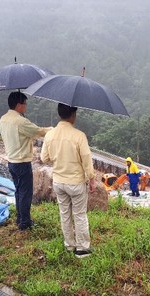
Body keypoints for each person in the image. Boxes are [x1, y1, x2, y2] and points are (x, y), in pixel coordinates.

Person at [41, 103, 95, 258]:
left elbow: (44, 158)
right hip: (76, 182)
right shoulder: (79, 135)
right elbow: (86, 159)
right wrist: (91, 179)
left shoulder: (50, 135)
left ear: (59, 114)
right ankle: (82, 249)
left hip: (58, 182)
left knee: (64, 213)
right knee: (79, 214)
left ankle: (69, 245)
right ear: (73, 115)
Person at [0, 91, 50, 231]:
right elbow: (38, 131)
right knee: (25, 193)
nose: (26, 106)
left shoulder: (3, 118)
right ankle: (25, 223)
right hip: (22, 162)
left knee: (18, 191)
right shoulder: (20, 121)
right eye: (25, 104)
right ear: (19, 105)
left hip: (11, 161)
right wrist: (54, 130)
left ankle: (19, 218)